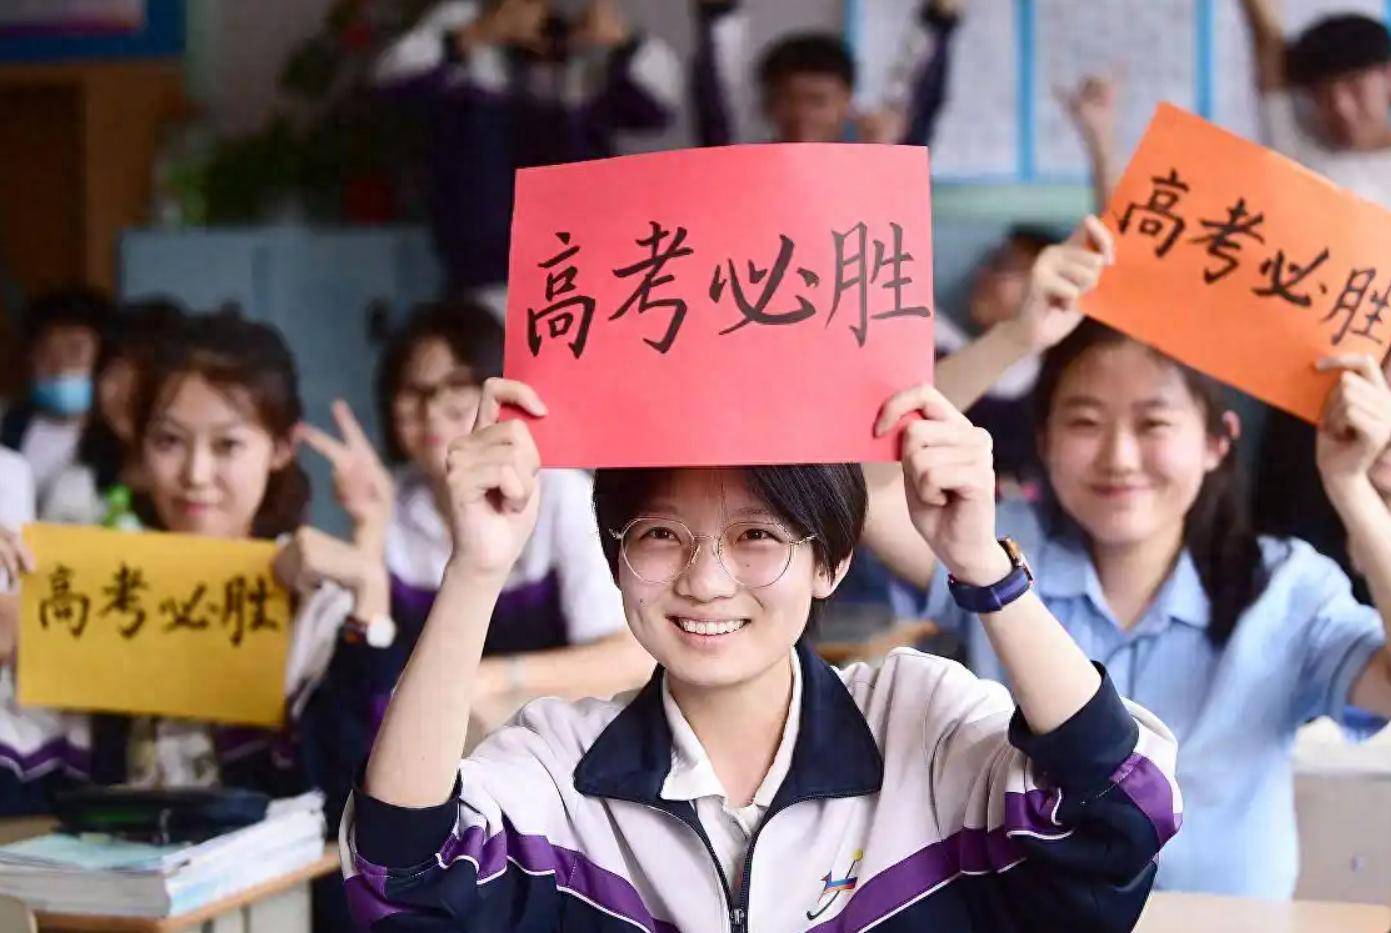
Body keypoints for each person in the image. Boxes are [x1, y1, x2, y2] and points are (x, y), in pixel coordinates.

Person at [862, 233, 1391, 896]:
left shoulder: (1285, 588)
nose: (1119, 457)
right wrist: (1014, 338)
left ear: (1217, 442)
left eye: (1153, 423)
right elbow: (867, 487)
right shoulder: (989, 544)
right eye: (1085, 423)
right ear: (1044, 440)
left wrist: (1350, 486)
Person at [302, 302, 649, 746]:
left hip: (556, 743)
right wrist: (367, 531)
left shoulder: (558, 493)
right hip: (432, 750)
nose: (432, 410)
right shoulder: (390, 502)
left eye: (457, 386)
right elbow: (361, 685)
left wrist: (487, 679)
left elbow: (629, 659)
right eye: (413, 391)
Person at [373, 0, 679, 297]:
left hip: (581, 265)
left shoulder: (589, 28)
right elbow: (391, 81)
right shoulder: (467, 16)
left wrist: (623, 43)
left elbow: (657, 109)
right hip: (485, 268)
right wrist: (477, 34)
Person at [692, 0, 963, 146]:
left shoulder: (881, 162)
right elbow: (719, 91)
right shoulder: (738, 163)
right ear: (767, 104)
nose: (802, 114)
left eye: (818, 100)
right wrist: (716, 14)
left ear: (848, 102)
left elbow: (917, 89)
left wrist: (940, 20)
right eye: (788, 99)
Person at [41, 299, 187, 527]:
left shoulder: (203, 488)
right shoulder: (75, 484)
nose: (124, 392)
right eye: (114, 372)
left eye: (143, 373)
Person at [1, 288, 114, 502]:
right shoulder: (10, 424)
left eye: (75, 351)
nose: (59, 367)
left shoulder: (114, 437)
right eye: (46, 353)